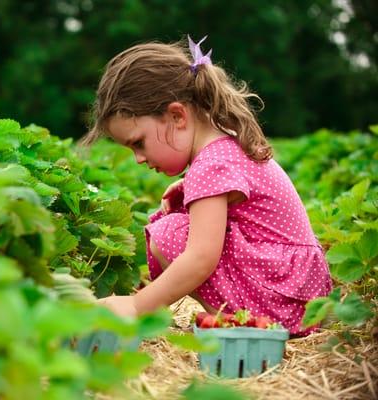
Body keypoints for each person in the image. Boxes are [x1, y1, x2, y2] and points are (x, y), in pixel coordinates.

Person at [81, 36, 332, 336]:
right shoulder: (223, 145)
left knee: (168, 234)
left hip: (283, 302)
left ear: (177, 116)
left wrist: (136, 306)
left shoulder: (211, 164)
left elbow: (200, 258)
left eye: (138, 143)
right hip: (301, 289)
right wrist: (191, 188)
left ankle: (245, 323)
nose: (138, 158)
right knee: (177, 223)